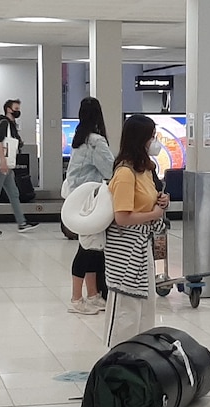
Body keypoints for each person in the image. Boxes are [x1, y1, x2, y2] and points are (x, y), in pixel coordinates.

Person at [103, 114, 168, 348]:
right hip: (126, 252)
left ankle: (141, 355)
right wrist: (153, 215)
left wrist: (161, 202)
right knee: (126, 310)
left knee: (144, 307)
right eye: (151, 137)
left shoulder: (145, 170)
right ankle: (119, 360)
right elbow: (121, 217)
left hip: (143, 249)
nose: (154, 141)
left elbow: (147, 200)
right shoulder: (125, 173)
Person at [63, 97, 115, 315]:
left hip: (76, 199)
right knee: (87, 249)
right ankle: (76, 298)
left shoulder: (80, 138)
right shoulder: (96, 141)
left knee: (93, 248)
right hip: (89, 202)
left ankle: (92, 295)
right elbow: (110, 170)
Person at [0, 99, 39, 236]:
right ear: (8, 109)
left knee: (14, 194)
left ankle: (22, 222)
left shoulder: (11, 125)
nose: (18, 110)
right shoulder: (4, 124)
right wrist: (2, 161)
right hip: (1, 166)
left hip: (6, 166)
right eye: (16, 108)